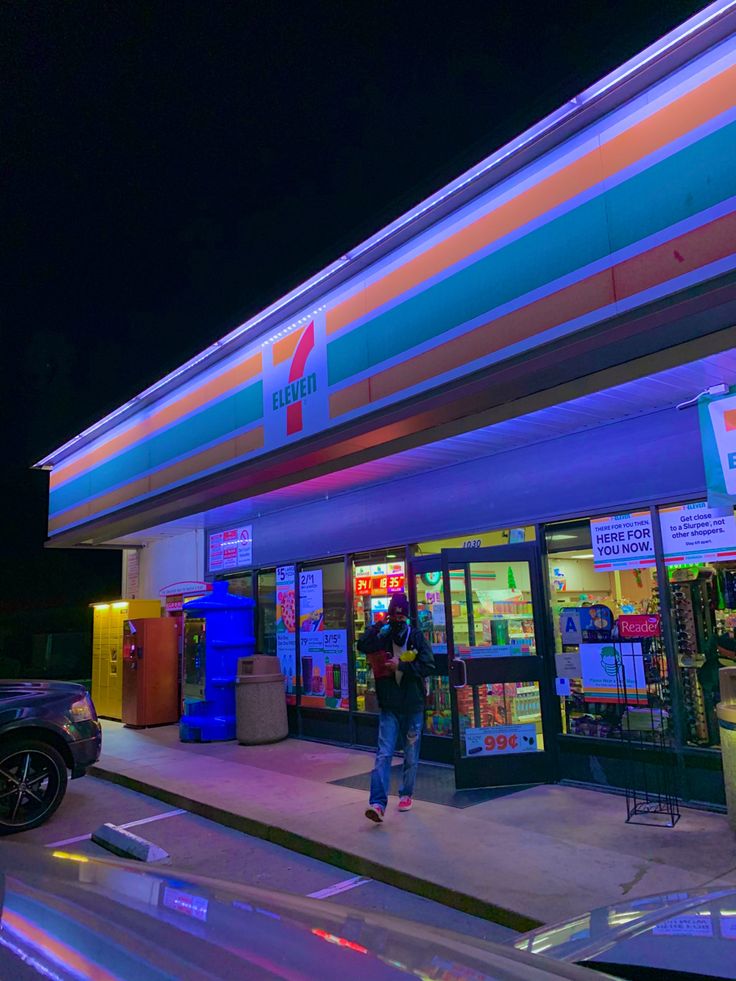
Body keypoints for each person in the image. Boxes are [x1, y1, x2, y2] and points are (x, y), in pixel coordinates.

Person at [357, 592, 435, 822]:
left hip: (412, 705)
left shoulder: (417, 637)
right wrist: (376, 626)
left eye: (400, 617)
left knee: (410, 753)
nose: (397, 621)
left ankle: (406, 794)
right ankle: (377, 803)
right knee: (383, 754)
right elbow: (362, 645)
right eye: (393, 616)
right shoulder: (383, 635)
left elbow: (428, 664)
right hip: (390, 705)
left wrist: (401, 666)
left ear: (407, 617)